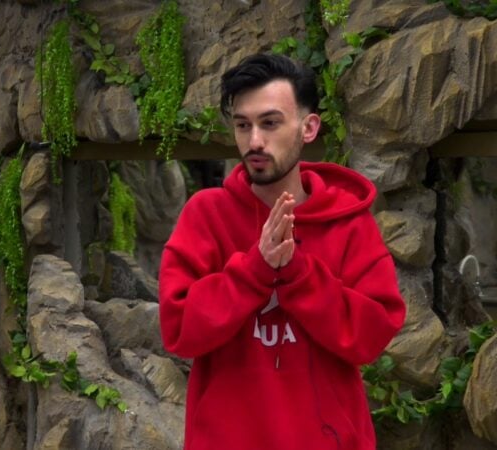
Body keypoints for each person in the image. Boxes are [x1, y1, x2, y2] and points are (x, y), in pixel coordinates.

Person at [159, 53, 406, 450]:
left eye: (270, 123)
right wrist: (255, 270)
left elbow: (372, 337)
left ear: (308, 128)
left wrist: (298, 273)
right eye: (243, 125)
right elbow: (178, 330)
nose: (254, 141)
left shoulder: (348, 222)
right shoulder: (206, 215)